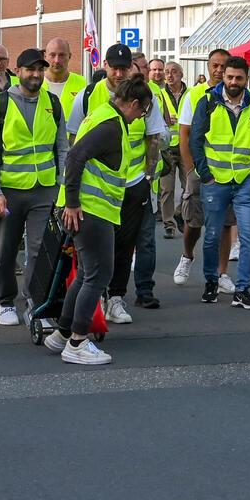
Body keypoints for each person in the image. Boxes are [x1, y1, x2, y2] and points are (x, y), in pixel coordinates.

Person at [51, 76, 157, 364]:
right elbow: (74, 157)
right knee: (98, 275)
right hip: (90, 209)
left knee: (86, 273)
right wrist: (72, 202)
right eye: (143, 112)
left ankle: (63, 333)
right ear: (134, 104)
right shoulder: (112, 126)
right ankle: (77, 342)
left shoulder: (103, 116)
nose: (141, 118)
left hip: (87, 208)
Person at [69, 45, 167, 318]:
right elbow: (74, 141)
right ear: (106, 66)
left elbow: (154, 138)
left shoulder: (145, 97)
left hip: (133, 182)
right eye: (115, 67)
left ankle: (116, 298)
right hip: (98, 190)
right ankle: (88, 310)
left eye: (124, 67)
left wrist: (147, 177)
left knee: (126, 245)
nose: (119, 72)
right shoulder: (89, 95)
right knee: (98, 251)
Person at [0, 48, 69, 327]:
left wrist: (61, 185)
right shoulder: (0, 105)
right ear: (17, 72)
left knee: (38, 249)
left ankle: (35, 302)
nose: (36, 75)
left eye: (40, 70)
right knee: (5, 250)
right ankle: (6, 301)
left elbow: (62, 147)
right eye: (30, 70)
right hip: (8, 192)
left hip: (44, 190)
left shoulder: (53, 103)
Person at [188, 55, 250, 309]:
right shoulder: (208, 102)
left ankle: (243, 289)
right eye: (229, 77)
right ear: (223, 76)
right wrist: (206, 175)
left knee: (249, 238)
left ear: (247, 79)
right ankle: (212, 281)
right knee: (211, 235)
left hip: (245, 182)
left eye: (239, 78)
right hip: (216, 181)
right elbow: (195, 141)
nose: (233, 81)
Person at [175, 49, 237, 290]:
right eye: (215, 65)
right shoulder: (195, 94)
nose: (219, 70)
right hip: (200, 172)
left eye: (224, 65)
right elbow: (185, 133)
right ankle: (187, 256)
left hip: (227, 173)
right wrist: (190, 169)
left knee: (224, 222)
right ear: (208, 66)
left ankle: (222, 274)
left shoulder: (238, 94)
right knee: (193, 220)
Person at [149, 59, 185, 239]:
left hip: (186, 146)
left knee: (191, 188)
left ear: (181, 74)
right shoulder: (159, 94)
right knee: (167, 189)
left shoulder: (191, 93)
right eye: (167, 72)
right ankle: (169, 224)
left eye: (173, 71)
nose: (169, 75)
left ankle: (180, 212)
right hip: (167, 148)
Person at [42, 37, 88, 118]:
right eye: (52, 55)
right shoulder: (36, 83)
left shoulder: (83, 84)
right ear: (45, 56)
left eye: (61, 55)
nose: (57, 60)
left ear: (69, 56)